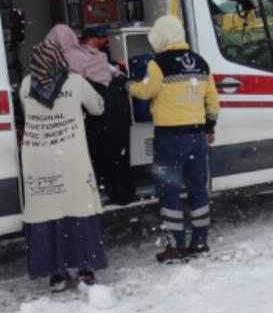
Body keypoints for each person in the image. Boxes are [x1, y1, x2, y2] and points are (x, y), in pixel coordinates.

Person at [127, 15, 220, 263]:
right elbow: (212, 101)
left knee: (169, 191)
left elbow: (146, 90)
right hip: (196, 137)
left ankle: (176, 246)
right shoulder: (201, 63)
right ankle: (200, 242)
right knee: (197, 189)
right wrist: (209, 126)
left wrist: (127, 84)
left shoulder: (159, 64)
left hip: (169, 139)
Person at [19, 40, 107, 291]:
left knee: (48, 214)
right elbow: (98, 107)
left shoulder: (26, 84)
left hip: (37, 158)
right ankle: (85, 270)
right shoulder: (76, 82)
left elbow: (28, 112)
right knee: (77, 211)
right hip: (69, 157)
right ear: (60, 59)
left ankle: (56, 275)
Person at [46, 24, 134, 205]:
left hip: (96, 109)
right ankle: (123, 194)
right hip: (116, 106)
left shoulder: (62, 58)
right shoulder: (95, 54)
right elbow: (115, 73)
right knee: (119, 153)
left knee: (97, 152)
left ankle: (98, 192)